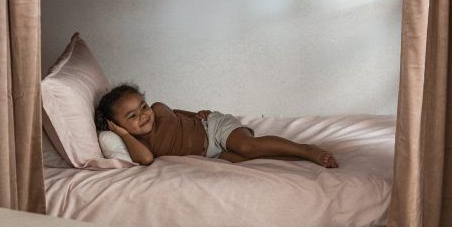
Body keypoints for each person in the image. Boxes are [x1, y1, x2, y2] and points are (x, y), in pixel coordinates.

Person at [94, 84, 338, 168]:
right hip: (213, 153)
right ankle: (298, 159)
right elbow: (146, 160)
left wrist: (200, 114)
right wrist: (123, 135)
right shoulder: (139, 144)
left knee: (247, 146)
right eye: (132, 116)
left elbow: (176, 114)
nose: (144, 115)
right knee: (249, 161)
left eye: (142, 106)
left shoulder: (158, 109)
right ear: (117, 125)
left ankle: (306, 149)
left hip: (213, 128)